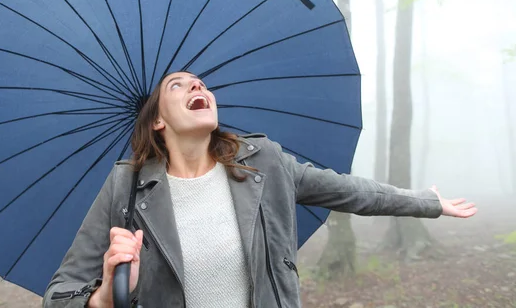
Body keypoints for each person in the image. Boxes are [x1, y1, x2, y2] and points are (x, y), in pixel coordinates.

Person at [42, 71, 477, 308]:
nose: (198, 86)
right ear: (158, 120)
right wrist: (103, 298)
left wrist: (427, 202)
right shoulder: (126, 188)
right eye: (178, 85)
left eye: (201, 83)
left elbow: (348, 191)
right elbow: (59, 295)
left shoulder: (263, 165)